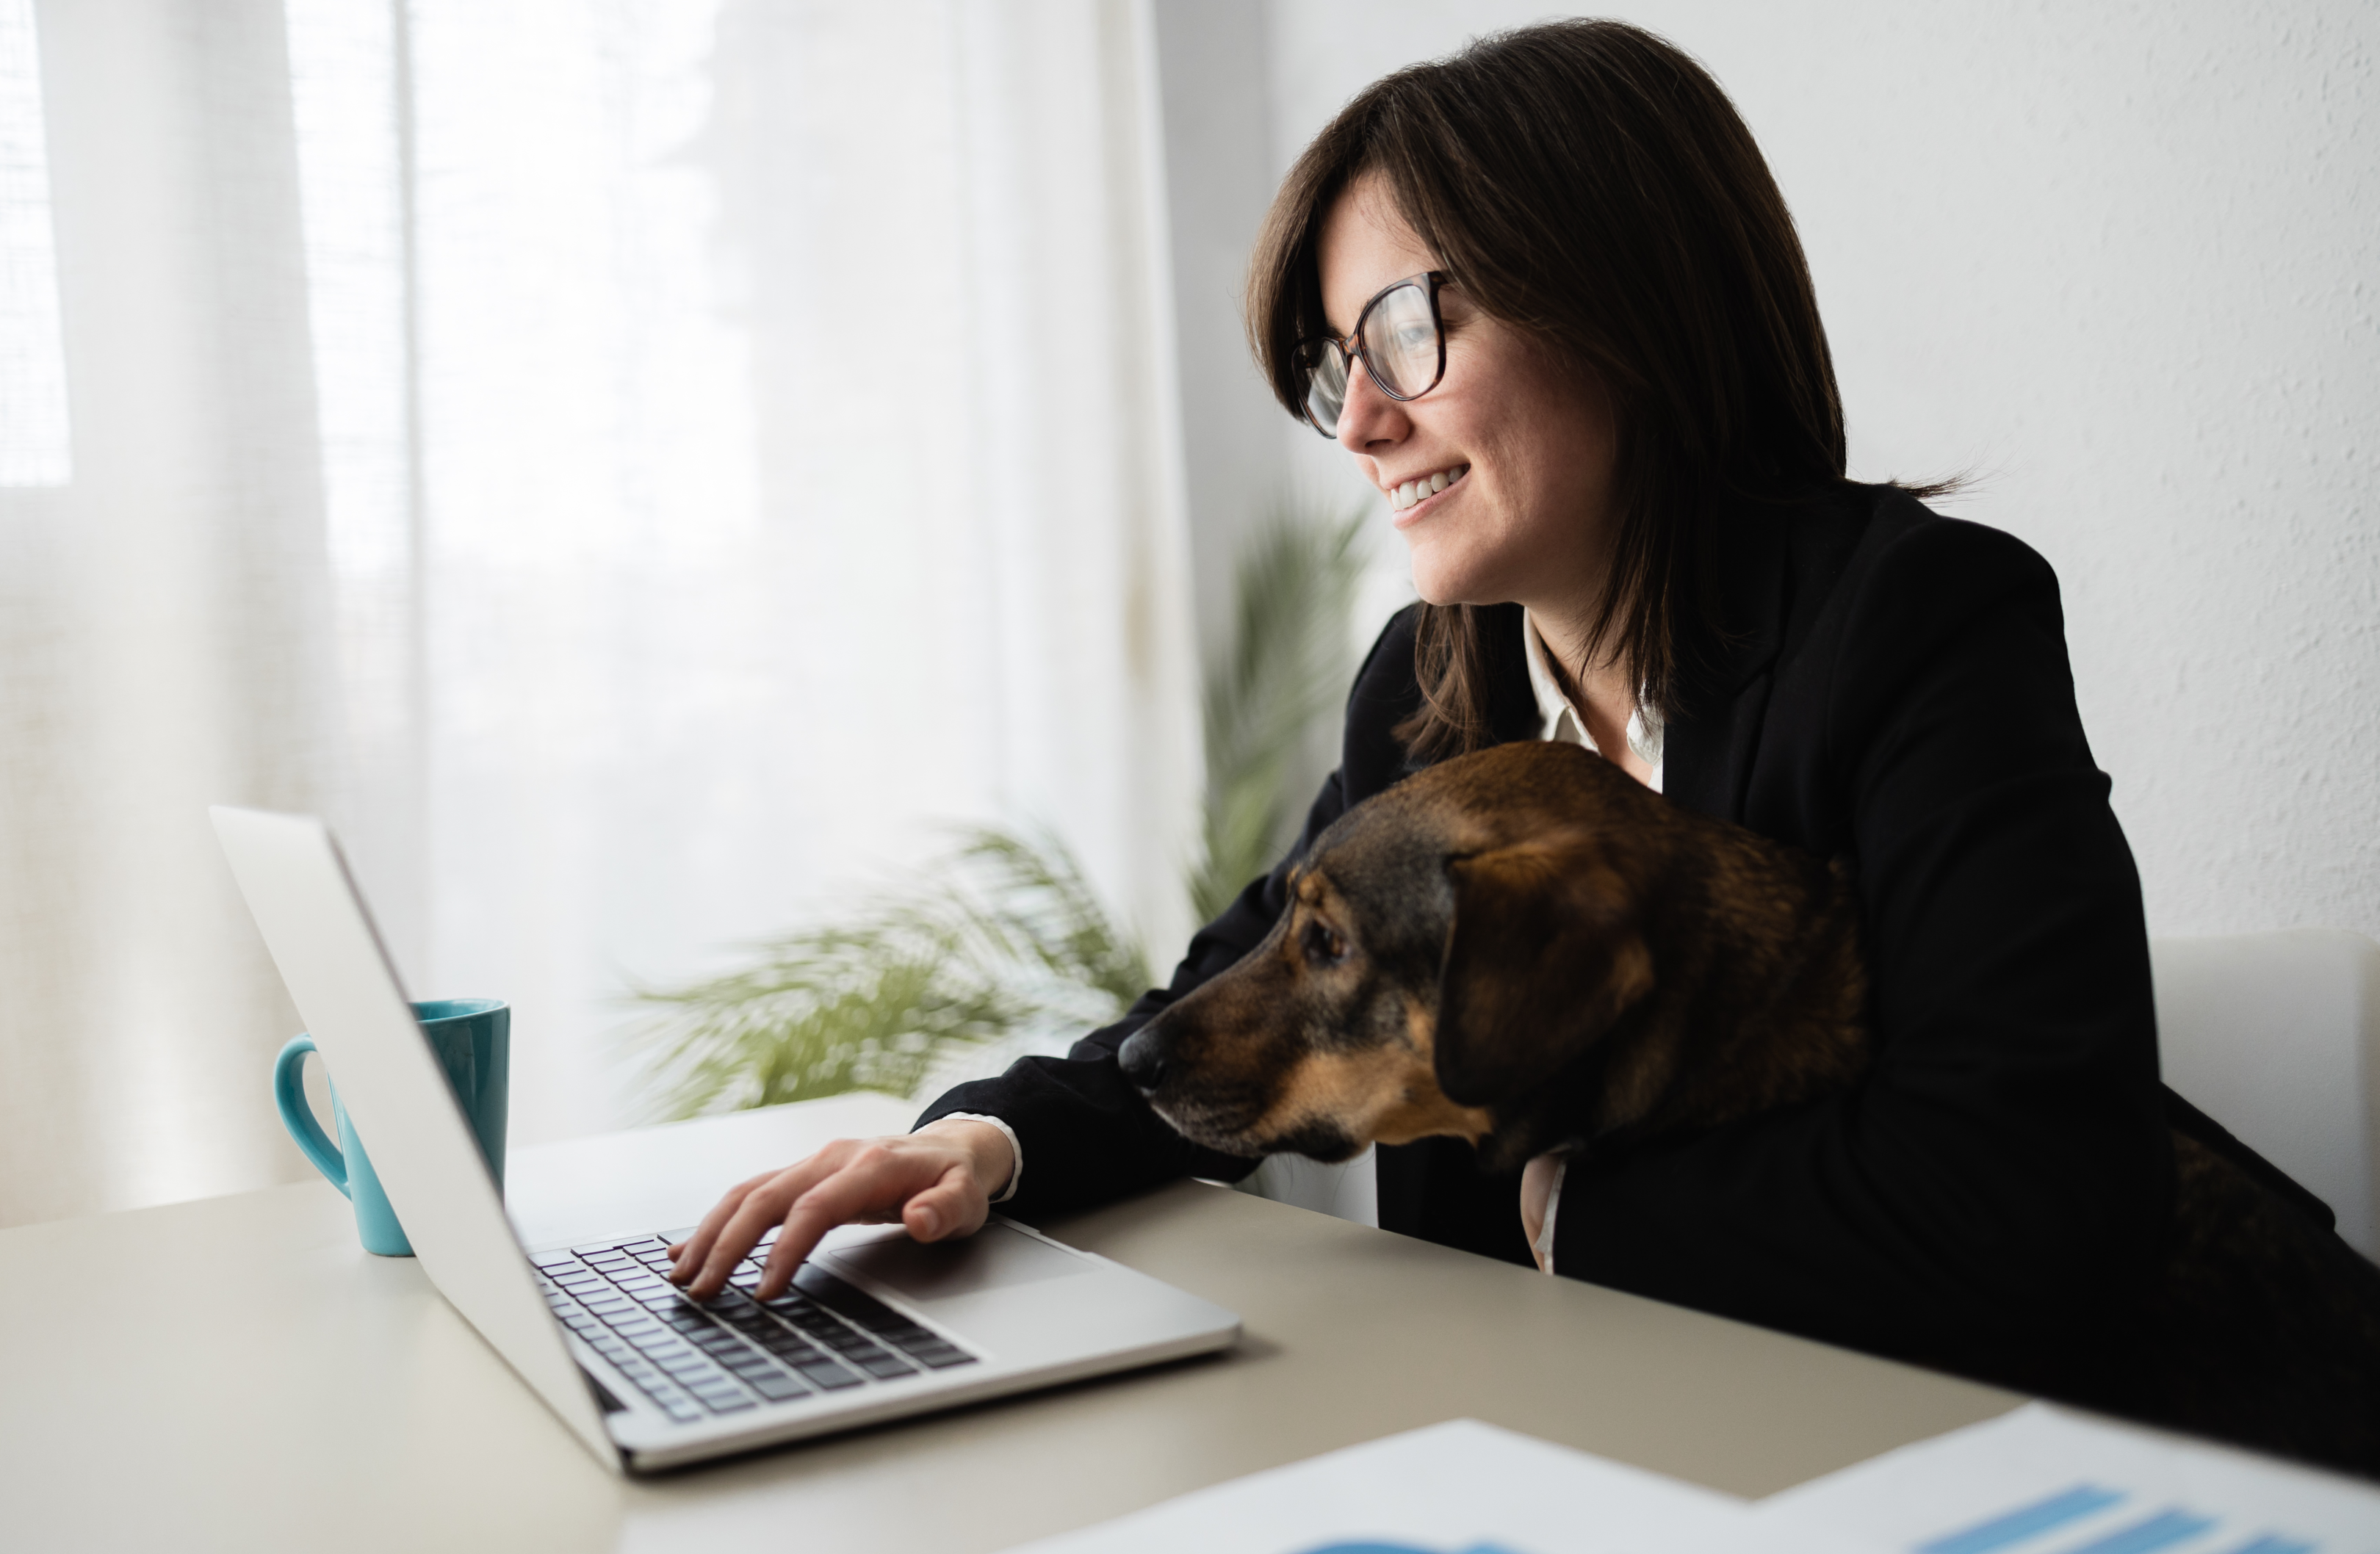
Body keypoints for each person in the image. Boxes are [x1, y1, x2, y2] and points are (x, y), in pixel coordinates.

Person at [669, 20, 2187, 1399]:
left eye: (1404, 332)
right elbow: (1234, 1003)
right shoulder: (1427, 684)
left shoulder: (1916, 623)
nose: (1366, 424)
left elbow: (2030, 1198)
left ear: (1625, 299)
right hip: (1561, 1437)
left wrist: (1561, 1211)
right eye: (1342, 368)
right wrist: (970, 1151)